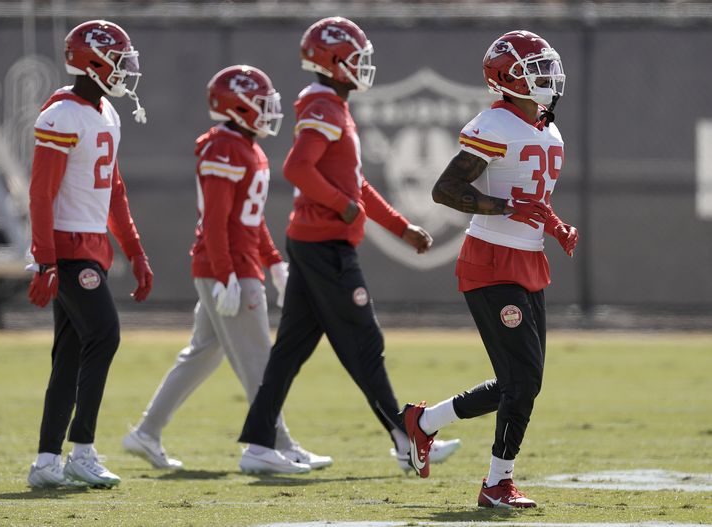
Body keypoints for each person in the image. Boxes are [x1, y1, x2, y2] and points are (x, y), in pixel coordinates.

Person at [238, 16, 461, 474]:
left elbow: (354, 183)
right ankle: (406, 438)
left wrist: (400, 227)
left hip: (314, 242)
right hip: (325, 246)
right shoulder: (322, 105)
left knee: (291, 350)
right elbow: (298, 169)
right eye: (356, 58)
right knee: (365, 342)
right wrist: (342, 207)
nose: (363, 66)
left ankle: (259, 444)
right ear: (333, 61)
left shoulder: (333, 106)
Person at [122, 65, 331, 473]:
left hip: (237, 265)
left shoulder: (247, 147)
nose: (269, 111)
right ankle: (273, 445)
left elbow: (247, 220)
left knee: (202, 355)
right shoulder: (224, 147)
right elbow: (215, 223)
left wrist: (273, 264)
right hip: (229, 268)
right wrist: (226, 275)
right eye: (260, 103)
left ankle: (146, 432)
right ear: (236, 107)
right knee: (258, 361)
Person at [401, 30, 578, 508]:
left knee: (521, 381)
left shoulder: (547, 126)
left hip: (528, 259)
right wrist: (504, 208)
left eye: (547, 66)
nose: (546, 76)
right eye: (534, 68)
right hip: (490, 261)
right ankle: (497, 483)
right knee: (522, 382)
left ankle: (423, 422)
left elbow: (532, 198)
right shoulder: (494, 124)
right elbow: (445, 189)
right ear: (507, 77)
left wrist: (556, 225)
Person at [26, 20, 154, 488]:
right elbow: (41, 195)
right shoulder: (62, 114)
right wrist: (44, 260)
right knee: (105, 333)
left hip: (93, 246)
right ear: (93, 62)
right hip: (67, 246)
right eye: (118, 61)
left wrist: (135, 252)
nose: (124, 71)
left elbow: (114, 191)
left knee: (71, 354)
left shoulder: (106, 113)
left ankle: (45, 463)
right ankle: (81, 449)